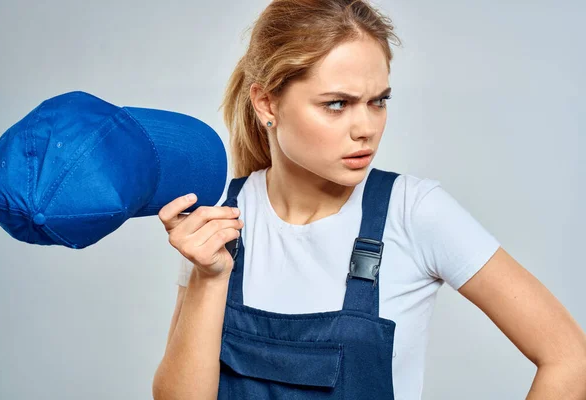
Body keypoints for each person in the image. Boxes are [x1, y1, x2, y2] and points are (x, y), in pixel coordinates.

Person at [152, 1, 586, 399]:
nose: (367, 128)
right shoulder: (218, 220)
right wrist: (209, 278)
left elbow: (570, 358)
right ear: (267, 102)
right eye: (337, 104)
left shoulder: (413, 212)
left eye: (378, 101)